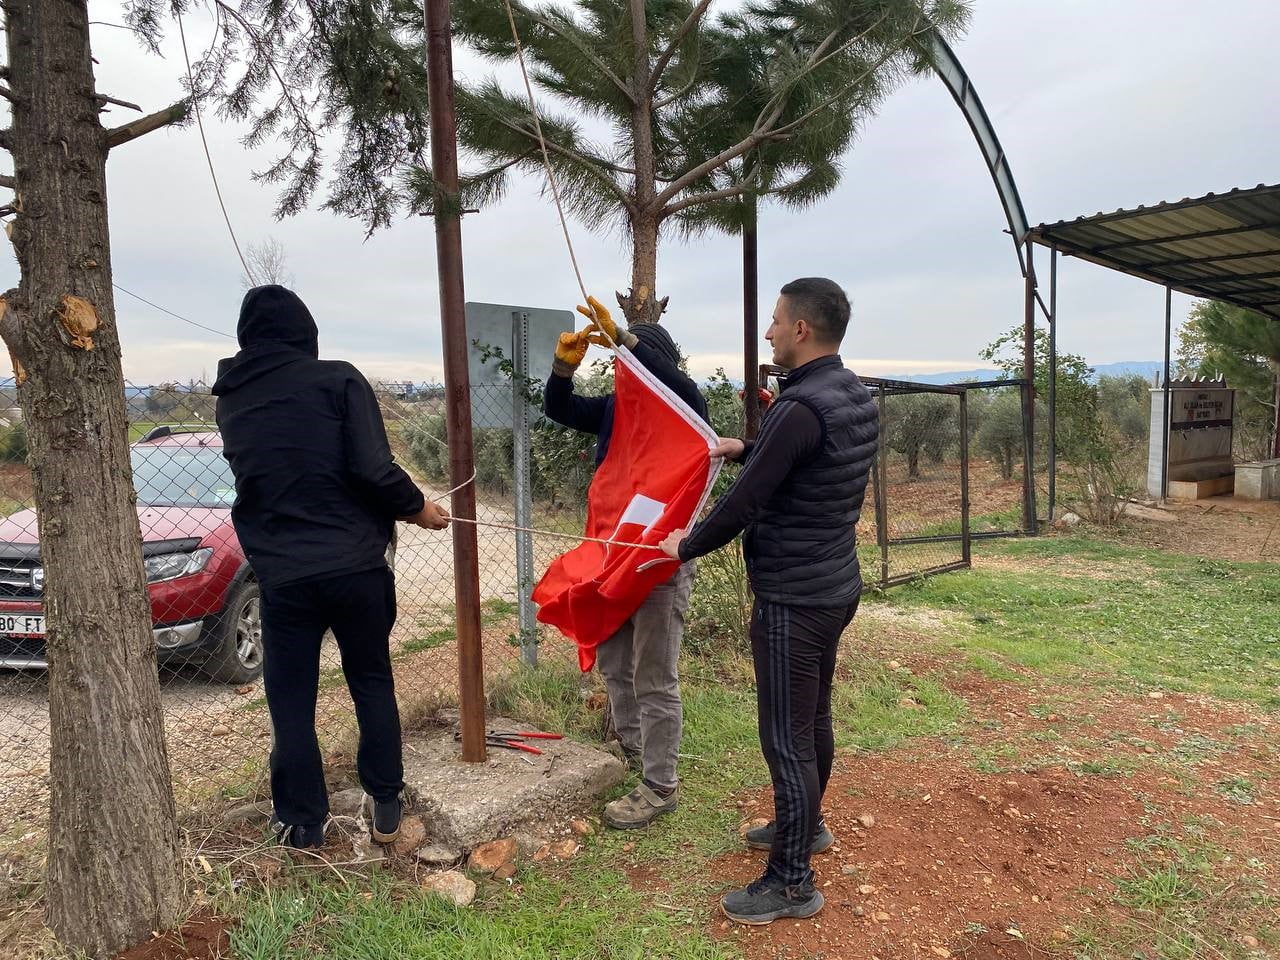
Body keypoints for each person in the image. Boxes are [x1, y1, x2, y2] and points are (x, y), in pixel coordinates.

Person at [660, 278, 878, 924]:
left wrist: (684, 545)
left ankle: (790, 883)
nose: (769, 333)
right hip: (835, 586)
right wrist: (748, 448)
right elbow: (809, 460)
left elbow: (745, 503)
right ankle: (803, 829)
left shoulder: (799, 408)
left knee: (786, 739)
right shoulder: (851, 394)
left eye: (776, 321)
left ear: (802, 330)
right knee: (812, 725)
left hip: (792, 597)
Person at [212, 285, 449, 849]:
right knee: (370, 678)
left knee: (290, 698)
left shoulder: (232, 399)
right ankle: (386, 803)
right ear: (306, 331)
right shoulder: (338, 379)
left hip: (283, 576)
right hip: (354, 568)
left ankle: (300, 821)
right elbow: (373, 469)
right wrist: (419, 508)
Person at [545, 295, 709, 829]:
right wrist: (561, 372)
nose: (623, 374)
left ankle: (661, 784)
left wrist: (631, 344)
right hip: (609, 560)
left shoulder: (685, 410)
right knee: (616, 661)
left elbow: (678, 387)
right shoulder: (617, 408)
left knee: (655, 676)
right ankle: (637, 754)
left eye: (630, 366)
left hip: (658, 566)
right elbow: (559, 409)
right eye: (619, 366)